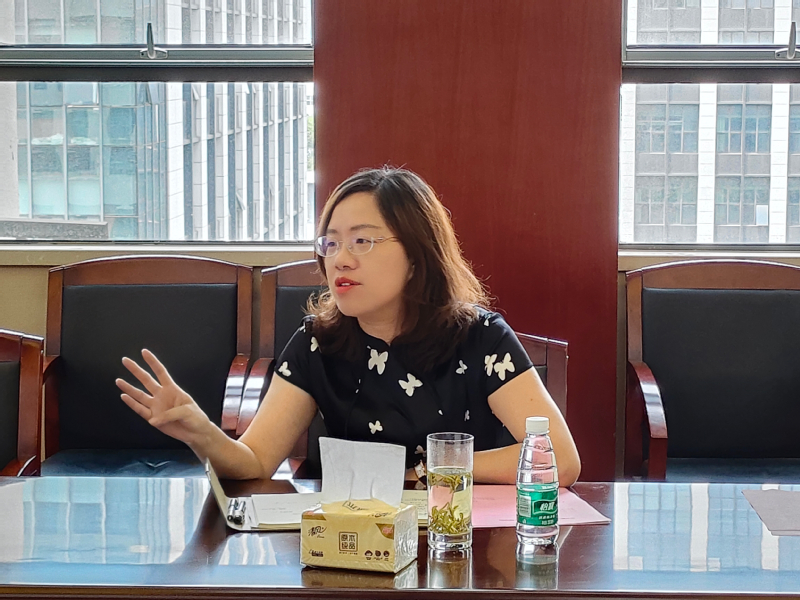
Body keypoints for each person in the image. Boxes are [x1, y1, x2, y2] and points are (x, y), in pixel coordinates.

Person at [116, 167, 581, 486]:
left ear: (417, 257)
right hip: (356, 545)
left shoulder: (479, 337)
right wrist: (201, 432)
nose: (340, 259)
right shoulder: (318, 343)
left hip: (459, 538)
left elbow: (558, 460)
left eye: (362, 241)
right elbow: (255, 462)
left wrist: (426, 473)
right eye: (332, 242)